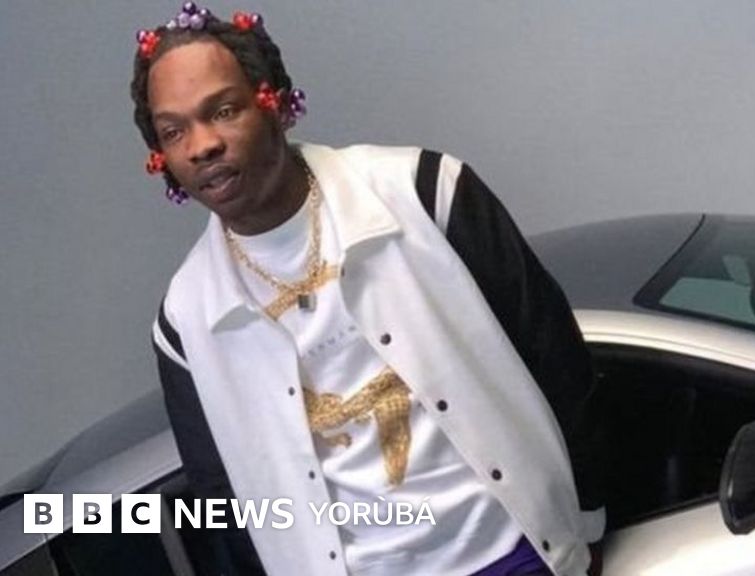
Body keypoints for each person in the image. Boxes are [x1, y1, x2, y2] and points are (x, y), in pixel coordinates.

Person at [133, 4, 607, 576]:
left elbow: (558, 362)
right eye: (174, 131)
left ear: (275, 103)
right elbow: (223, 500)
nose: (202, 145)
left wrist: (587, 526)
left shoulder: (425, 193)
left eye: (224, 110)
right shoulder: (186, 319)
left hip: (516, 556)